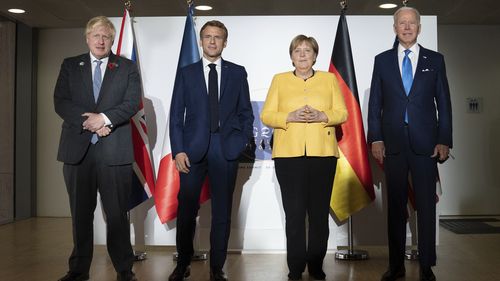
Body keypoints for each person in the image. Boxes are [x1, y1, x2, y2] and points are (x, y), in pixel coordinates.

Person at [367, 7, 452, 281]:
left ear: (419, 27)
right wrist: (376, 137)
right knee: (395, 208)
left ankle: (427, 266)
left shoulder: (435, 60)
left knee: (426, 206)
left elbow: (444, 104)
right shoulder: (381, 61)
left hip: (426, 144)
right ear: (394, 28)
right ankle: (396, 266)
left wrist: (444, 140)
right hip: (392, 143)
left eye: (411, 23)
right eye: (401, 23)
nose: (406, 27)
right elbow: (375, 104)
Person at [54, 16, 141, 281]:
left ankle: (124, 270)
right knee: (80, 215)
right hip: (78, 152)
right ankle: (78, 270)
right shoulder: (71, 65)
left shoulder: (126, 67)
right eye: (96, 35)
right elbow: (61, 102)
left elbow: (132, 102)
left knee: (116, 215)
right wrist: (92, 123)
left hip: (115, 152)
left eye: (106, 36)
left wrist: (105, 120)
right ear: (87, 38)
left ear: (112, 39)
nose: (101, 40)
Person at [168, 20, 254, 281]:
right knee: (186, 209)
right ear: (201, 41)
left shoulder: (237, 72)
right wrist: (178, 150)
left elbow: (246, 113)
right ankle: (183, 263)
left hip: (225, 149)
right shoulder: (187, 72)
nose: (212, 41)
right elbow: (176, 116)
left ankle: (217, 268)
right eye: (207, 37)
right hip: (192, 151)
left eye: (218, 37)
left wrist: (238, 142)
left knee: (222, 212)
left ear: (225, 42)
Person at [261, 35, 348, 281]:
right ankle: (295, 267)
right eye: (297, 51)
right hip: (289, 156)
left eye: (307, 50)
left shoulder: (329, 79)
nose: (302, 55)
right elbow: (267, 114)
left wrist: (323, 115)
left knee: (319, 214)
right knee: (295, 214)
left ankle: (317, 265)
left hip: (323, 155)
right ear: (291, 56)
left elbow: (342, 112)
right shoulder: (279, 80)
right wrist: (289, 116)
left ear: (314, 55)